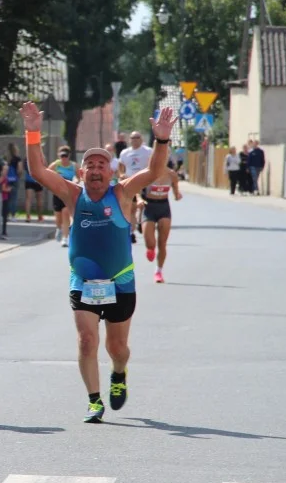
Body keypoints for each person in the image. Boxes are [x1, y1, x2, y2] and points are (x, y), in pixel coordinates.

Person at [20, 100, 175, 424]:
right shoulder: (73, 195)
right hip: (84, 280)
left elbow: (154, 172)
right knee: (87, 340)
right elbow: (36, 171)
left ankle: (119, 374)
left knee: (117, 348)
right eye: (89, 164)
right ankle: (94, 400)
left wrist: (161, 140)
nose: (94, 169)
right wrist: (32, 133)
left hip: (120, 281)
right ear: (81, 172)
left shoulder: (122, 193)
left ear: (113, 171)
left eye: (101, 164)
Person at [142, 162, 183, 283]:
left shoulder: (172, 174)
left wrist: (177, 195)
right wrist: (139, 200)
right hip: (148, 207)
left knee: (162, 243)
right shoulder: (147, 173)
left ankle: (158, 271)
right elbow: (138, 191)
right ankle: (150, 248)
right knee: (150, 242)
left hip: (164, 207)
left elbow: (176, 191)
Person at [118, 131, 152, 243]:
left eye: (137, 137)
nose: (135, 140)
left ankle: (139, 221)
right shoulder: (125, 152)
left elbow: (154, 165)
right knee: (131, 208)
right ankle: (132, 233)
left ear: (141, 139)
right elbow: (120, 167)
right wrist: (121, 175)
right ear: (129, 140)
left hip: (145, 183)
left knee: (143, 206)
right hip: (130, 182)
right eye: (133, 138)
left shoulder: (148, 151)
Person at [49, 146, 78, 247]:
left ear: (69, 156)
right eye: (62, 156)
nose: (64, 158)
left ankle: (65, 238)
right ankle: (58, 229)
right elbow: (46, 176)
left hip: (68, 193)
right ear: (58, 156)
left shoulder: (74, 166)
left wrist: (75, 181)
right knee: (58, 217)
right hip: (57, 193)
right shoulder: (55, 165)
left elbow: (80, 177)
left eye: (65, 156)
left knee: (66, 213)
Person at [5, 143, 23, 223]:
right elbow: (20, 170)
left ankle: (6, 215)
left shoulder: (6, 158)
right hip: (14, 179)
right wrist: (18, 176)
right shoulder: (17, 159)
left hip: (7, 180)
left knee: (7, 197)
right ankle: (13, 216)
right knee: (14, 198)